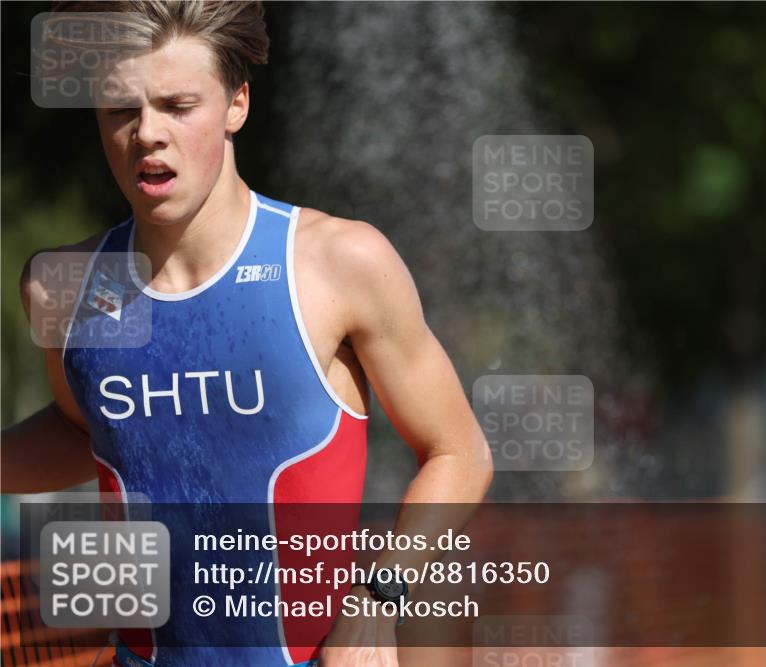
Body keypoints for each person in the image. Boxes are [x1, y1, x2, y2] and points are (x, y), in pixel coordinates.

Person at [2, 2, 493, 666]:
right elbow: (86, 432)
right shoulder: (63, 287)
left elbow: (459, 451)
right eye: (121, 110)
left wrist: (380, 595)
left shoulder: (336, 263)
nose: (147, 133)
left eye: (178, 106)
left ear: (237, 103)